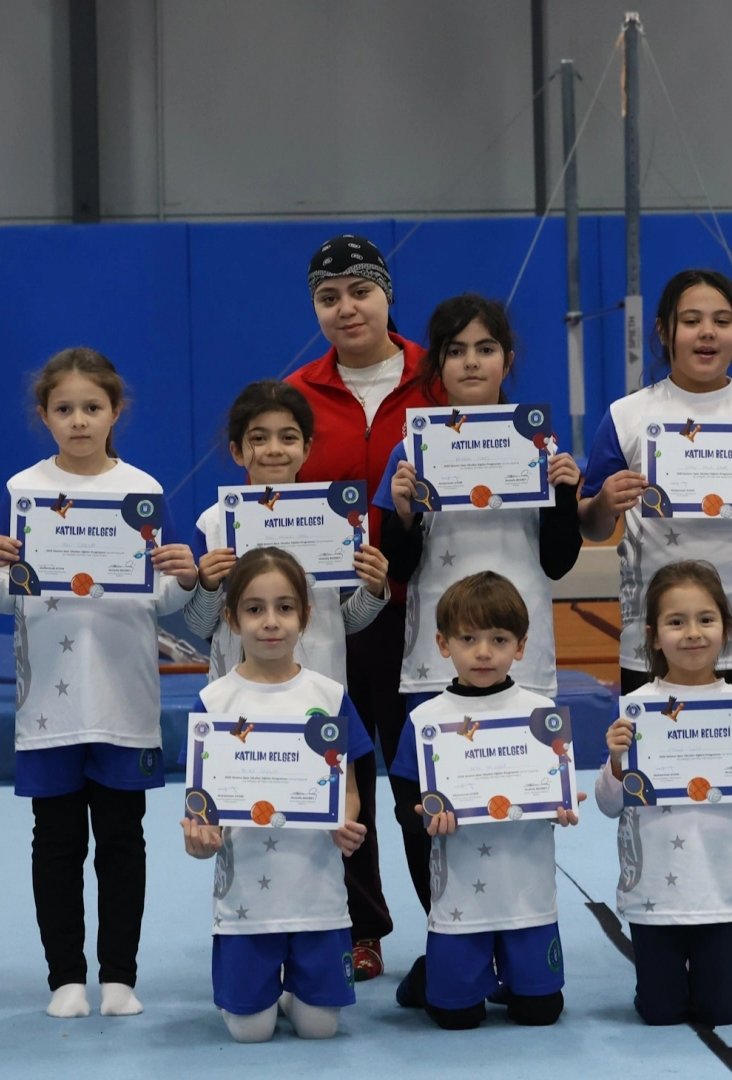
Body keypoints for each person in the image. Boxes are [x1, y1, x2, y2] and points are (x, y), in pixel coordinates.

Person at [580, 269, 732, 957]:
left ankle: (731, 944)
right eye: (691, 320)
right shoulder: (627, 416)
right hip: (657, 645)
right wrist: (603, 502)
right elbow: (590, 524)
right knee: (658, 789)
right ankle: (660, 930)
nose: (706, 333)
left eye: (721, 320)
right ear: (664, 332)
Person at [0, 348, 196, 1019]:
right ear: (43, 415)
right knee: (56, 843)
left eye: (92, 407)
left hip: (125, 700)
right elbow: (6, 596)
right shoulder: (23, 490)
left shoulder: (142, 488)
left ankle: (120, 976)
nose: (78, 420)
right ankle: (65, 977)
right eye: (64, 409)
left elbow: (161, 598)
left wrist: (185, 578)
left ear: (115, 411)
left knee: (123, 841)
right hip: (49, 703)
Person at [374, 294, 583, 928]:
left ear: (506, 361)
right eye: (456, 350)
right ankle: (446, 935)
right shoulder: (412, 449)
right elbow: (397, 567)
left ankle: (517, 934)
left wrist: (564, 496)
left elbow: (558, 561)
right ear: (436, 364)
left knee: (515, 800)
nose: (471, 362)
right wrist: (403, 514)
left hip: (520, 656)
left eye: (485, 349)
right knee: (428, 805)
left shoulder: (542, 444)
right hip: (435, 658)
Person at [285, 234, 442, 978]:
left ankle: (453, 919)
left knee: (424, 774)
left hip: (430, 613)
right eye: (328, 297)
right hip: (334, 618)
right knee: (341, 769)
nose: (346, 308)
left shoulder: (439, 379)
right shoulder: (295, 393)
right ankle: (359, 927)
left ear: (387, 295)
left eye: (360, 291)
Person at [181, 547, 374, 1042]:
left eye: (285, 608)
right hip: (246, 899)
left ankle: (291, 993)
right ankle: (259, 995)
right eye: (255, 609)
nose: (271, 622)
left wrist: (345, 821)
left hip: (317, 893)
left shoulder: (329, 696)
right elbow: (201, 813)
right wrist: (200, 840)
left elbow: (349, 790)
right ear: (231, 619)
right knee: (251, 1033)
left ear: (305, 616)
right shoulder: (214, 702)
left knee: (320, 1029)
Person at [596, 561, 732, 1027]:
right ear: (653, 636)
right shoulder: (638, 710)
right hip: (655, 893)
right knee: (659, 1013)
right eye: (676, 622)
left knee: (720, 1011)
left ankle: (725, 981)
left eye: (706, 619)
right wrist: (617, 763)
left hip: (722, 890)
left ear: (726, 627)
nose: (693, 633)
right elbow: (608, 804)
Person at [388, 572, 583, 1030]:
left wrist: (560, 804)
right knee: (456, 1018)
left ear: (521, 646)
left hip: (526, 890)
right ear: (443, 644)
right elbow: (404, 805)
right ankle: (428, 975)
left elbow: (555, 791)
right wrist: (425, 818)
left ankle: (509, 977)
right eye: (468, 638)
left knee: (540, 1014)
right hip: (460, 893)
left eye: (499, 639)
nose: (483, 652)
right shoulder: (426, 720)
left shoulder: (542, 715)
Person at [183, 379, 390, 685]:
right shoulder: (213, 524)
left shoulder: (337, 521)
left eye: (288, 437)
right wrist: (208, 587)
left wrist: (373, 591)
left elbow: (343, 622)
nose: (274, 449)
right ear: (236, 451)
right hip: (238, 693)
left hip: (319, 685)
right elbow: (201, 626)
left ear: (306, 449)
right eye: (258, 438)